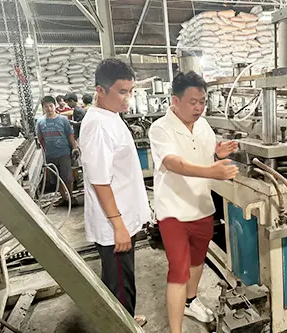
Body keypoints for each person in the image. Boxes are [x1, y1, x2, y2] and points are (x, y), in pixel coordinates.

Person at [148, 71, 239, 333]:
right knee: (178, 270)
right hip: (173, 211)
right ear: (175, 101)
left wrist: (216, 153)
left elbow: (201, 153)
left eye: (202, 101)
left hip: (201, 206)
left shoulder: (203, 125)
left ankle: (190, 301)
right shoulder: (161, 128)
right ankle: (176, 330)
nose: (198, 107)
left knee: (197, 260)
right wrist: (211, 171)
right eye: (193, 102)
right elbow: (172, 162)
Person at [79, 59, 150, 327]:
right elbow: (100, 182)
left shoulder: (110, 116)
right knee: (119, 283)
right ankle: (122, 325)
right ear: (100, 90)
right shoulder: (98, 125)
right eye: (122, 91)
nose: (128, 99)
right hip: (113, 225)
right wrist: (118, 226)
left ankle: (126, 319)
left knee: (122, 279)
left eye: (131, 91)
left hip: (120, 219)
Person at [36, 96, 79, 207]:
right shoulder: (40, 122)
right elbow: (40, 138)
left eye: (51, 106)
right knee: (56, 179)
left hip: (64, 153)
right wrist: (44, 153)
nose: (49, 109)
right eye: (46, 107)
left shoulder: (63, 120)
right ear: (43, 108)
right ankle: (64, 198)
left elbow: (70, 134)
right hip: (50, 155)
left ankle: (71, 197)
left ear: (55, 106)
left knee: (67, 178)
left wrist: (74, 147)